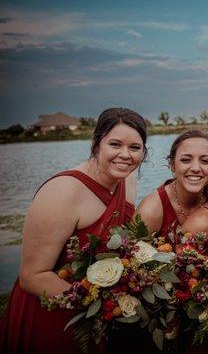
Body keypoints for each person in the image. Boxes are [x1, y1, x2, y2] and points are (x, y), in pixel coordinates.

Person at [0, 107, 148, 353]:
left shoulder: (127, 181)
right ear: (96, 142)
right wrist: (99, 303)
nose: (125, 155)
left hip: (95, 318)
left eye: (135, 147)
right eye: (115, 144)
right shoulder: (63, 191)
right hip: (53, 313)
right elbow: (32, 276)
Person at [137, 130, 208, 237]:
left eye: (205, 161)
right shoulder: (150, 210)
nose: (195, 168)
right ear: (172, 164)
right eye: (186, 160)